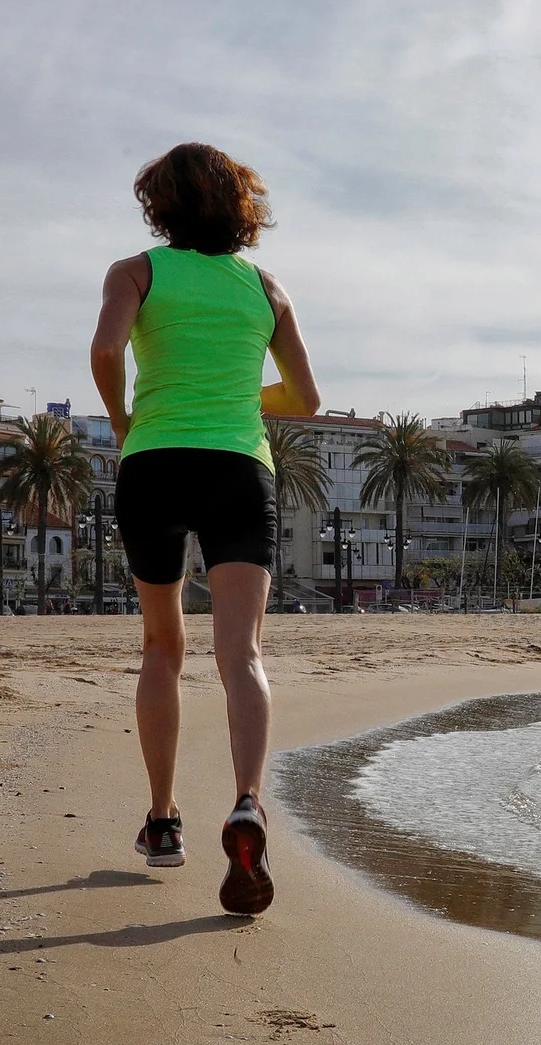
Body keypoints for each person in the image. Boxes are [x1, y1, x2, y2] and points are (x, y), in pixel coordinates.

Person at [90, 142, 320, 915]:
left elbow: (105, 349)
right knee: (242, 653)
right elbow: (307, 397)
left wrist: (126, 419)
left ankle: (163, 822)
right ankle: (248, 801)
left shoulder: (137, 272)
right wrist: (241, 397)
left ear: (159, 205)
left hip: (154, 462)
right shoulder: (267, 286)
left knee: (162, 645)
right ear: (240, 207)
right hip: (237, 467)